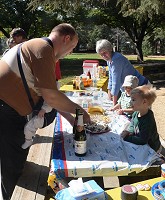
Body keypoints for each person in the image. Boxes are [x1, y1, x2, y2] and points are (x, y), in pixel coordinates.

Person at [0, 23, 90, 199]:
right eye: (72, 47)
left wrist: (72, 119)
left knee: (16, 160)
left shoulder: (38, 47)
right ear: (66, 38)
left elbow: (48, 96)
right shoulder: (43, 48)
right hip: (5, 112)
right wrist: (80, 112)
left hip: (11, 112)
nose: (71, 52)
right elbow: (52, 97)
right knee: (10, 167)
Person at [96, 39, 150, 105]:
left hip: (141, 87)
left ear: (110, 49)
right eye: (101, 54)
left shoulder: (116, 59)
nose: (103, 56)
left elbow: (116, 82)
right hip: (131, 90)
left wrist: (113, 103)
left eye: (104, 52)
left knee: (140, 113)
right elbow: (111, 79)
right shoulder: (109, 60)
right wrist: (109, 97)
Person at [120, 85, 161, 152]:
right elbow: (132, 124)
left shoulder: (148, 120)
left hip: (151, 149)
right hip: (140, 144)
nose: (130, 102)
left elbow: (142, 140)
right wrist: (129, 132)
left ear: (144, 102)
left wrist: (127, 137)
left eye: (133, 100)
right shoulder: (136, 113)